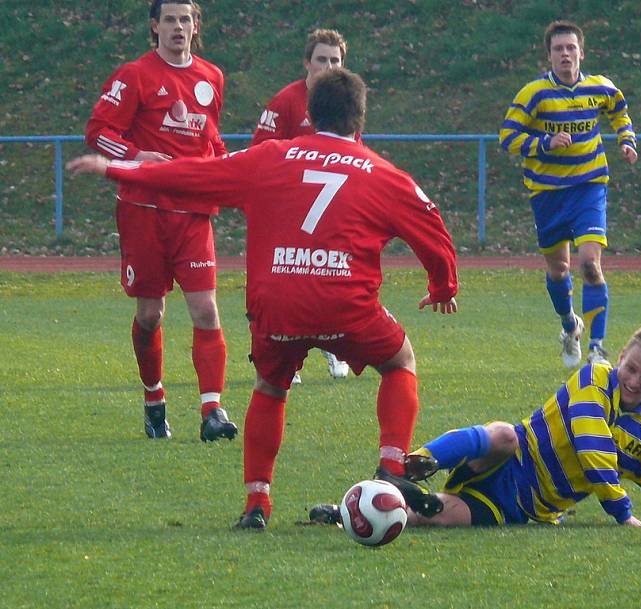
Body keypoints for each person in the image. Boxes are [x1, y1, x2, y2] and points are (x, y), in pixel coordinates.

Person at [68, 68, 459, 530]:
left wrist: (114, 167)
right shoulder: (383, 173)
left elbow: (191, 174)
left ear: (309, 115)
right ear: (360, 122)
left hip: (278, 303)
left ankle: (257, 504)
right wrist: (442, 285)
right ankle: (392, 466)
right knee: (399, 362)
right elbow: (432, 230)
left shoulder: (270, 157)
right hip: (345, 304)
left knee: (271, 388)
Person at [310, 327, 641, 528]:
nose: (634, 380)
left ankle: (353, 511)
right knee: (504, 432)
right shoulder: (593, 376)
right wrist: (623, 514)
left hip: (526, 508)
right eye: (632, 368)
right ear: (620, 356)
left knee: (440, 516)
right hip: (509, 458)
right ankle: (408, 469)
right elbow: (591, 444)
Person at [83, 0, 237, 442]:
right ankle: (154, 400)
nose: (177, 26)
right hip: (144, 210)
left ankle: (212, 411)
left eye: (185, 19)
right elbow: (98, 132)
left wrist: (224, 169)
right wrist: (135, 156)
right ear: (155, 26)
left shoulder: (211, 76)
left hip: (192, 211)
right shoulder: (134, 75)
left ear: (195, 26)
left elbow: (211, 135)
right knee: (150, 314)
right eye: (169, 19)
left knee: (206, 309)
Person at [499, 20, 638, 369]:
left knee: (590, 263)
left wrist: (626, 140)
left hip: (589, 187)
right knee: (559, 270)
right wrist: (545, 143)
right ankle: (569, 326)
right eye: (559, 49)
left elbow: (619, 111)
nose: (565, 54)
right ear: (549, 55)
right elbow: (508, 138)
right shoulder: (534, 94)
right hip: (548, 194)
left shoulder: (599, 87)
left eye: (571, 48)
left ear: (581, 53)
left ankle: (597, 348)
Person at [252, 28, 352, 383]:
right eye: (322, 59)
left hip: (331, 210)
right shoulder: (285, 102)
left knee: (333, 280)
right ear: (307, 63)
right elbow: (259, 155)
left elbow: (354, 155)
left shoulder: (346, 103)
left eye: (335, 60)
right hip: (290, 212)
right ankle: (286, 357)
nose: (328, 66)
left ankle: (334, 347)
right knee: (290, 283)